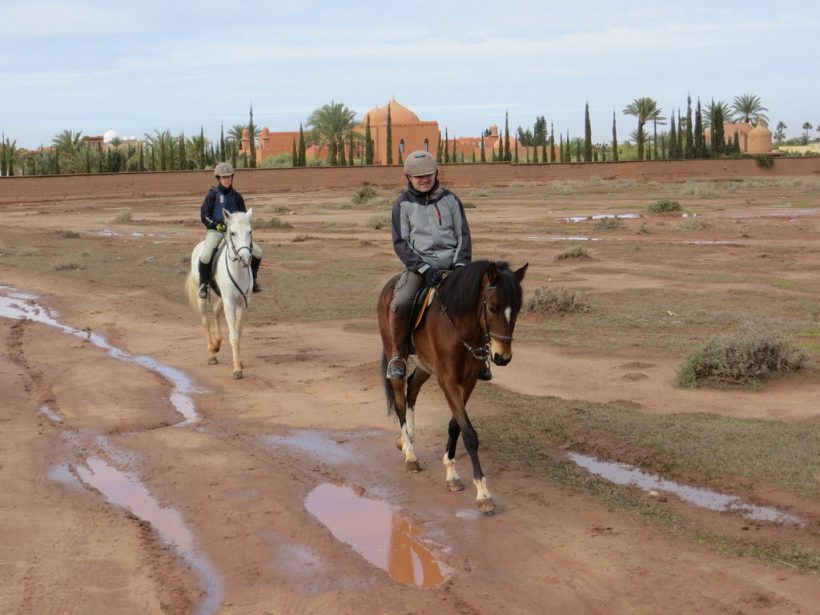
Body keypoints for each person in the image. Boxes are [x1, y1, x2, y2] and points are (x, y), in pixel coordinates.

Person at [386, 150, 492, 381]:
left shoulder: (451, 200)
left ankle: (481, 357)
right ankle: (399, 355)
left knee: (482, 300)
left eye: (428, 175)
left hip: (455, 265)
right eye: (418, 176)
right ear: (409, 178)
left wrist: (461, 266)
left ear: (436, 174)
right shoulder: (402, 204)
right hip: (420, 268)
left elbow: (463, 234)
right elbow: (401, 243)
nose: (424, 179)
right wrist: (424, 268)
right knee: (401, 303)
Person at [197, 162, 263, 298]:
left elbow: (244, 217)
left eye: (229, 177)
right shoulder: (212, 195)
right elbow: (204, 215)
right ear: (219, 179)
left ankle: (253, 280)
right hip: (216, 231)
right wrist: (216, 225)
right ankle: (204, 284)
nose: (227, 179)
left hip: (236, 234)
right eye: (224, 177)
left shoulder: (237, 196)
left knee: (257, 252)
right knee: (205, 255)